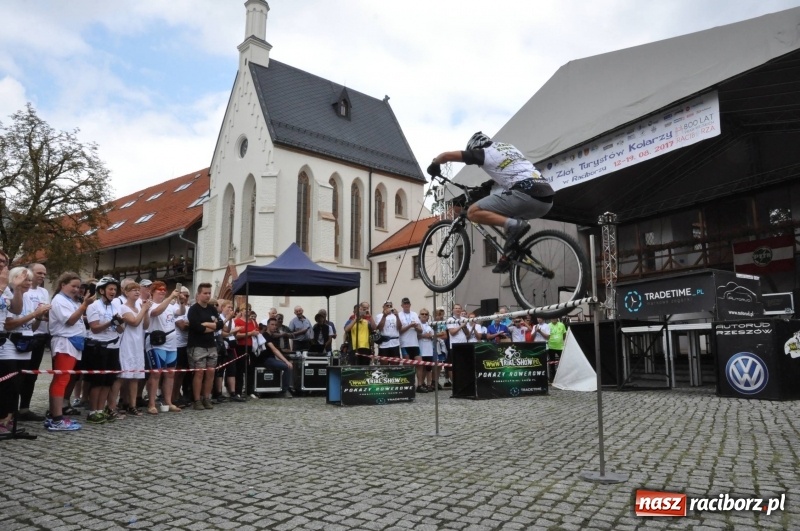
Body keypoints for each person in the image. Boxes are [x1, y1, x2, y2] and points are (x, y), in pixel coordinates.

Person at [428, 132, 554, 273]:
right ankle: (508, 255)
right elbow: (504, 175)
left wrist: (435, 165)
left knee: (473, 212)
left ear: (475, 147)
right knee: (508, 223)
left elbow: (446, 156)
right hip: (546, 200)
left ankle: (514, 226)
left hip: (525, 194)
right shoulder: (510, 148)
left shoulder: (483, 153)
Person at [47, 272, 94, 431]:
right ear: (63, 285)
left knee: (64, 379)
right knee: (61, 379)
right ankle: (56, 418)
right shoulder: (59, 300)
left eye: (78, 287)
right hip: (64, 342)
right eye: (73, 286)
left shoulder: (70, 300)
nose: (76, 289)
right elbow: (70, 320)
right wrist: (84, 305)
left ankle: (57, 415)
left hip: (73, 342)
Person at [0, 266, 36, 436]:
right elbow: (10, 323)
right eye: (24, 279)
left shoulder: (22, 295)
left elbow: (18, 311)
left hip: (25, 345)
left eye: (30, 280)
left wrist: (38, 315)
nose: (28, 283)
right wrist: (35, 313)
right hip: (8, 345)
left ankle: (9, 420)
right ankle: (2, 420)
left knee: (18, 386)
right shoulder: (6, 290)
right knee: (8, 385)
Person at [85, 276, 126, 424]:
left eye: (115, 289)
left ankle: (101, 410)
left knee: (108, 382)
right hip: (98, 346)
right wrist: (110, 322)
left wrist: (119, 324)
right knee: (97, 381)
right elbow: (94, 328)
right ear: (102, 290)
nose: (113, 292)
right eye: (110, 289)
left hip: (113, 346)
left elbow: (121, 330)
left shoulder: (116, 306)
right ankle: (93, 411)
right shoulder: (94, 306)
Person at [17, 263, 50, 422]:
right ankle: (9, 409)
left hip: (40, 334)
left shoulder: (44, 292)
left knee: (32, 375)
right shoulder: (23, 290)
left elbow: (45, 312)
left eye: (44, 274)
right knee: (18, 374)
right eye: (39, 273)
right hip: (24, 335)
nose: (42, 276)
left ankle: (25, 408)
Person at [144, 281, 181, 415]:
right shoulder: (150, 304)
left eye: (164, 289)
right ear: (152, 292)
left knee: (170, 374)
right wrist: (170, 298)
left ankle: (168, 402)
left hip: (171, 343)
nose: (162, 291)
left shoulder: (171, 305)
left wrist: (181, 301)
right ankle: (152, 403)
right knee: (156, 374)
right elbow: (156, 312)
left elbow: (181, 312)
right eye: (159, 289)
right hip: (156, 343)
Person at [117, 282, 151, 416]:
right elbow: (134, 322)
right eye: (133, 290)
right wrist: (144, 309)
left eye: (138, 290)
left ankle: (132, 405)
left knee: (135, 376)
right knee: (123, 375)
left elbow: (145, 325)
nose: (137, 292)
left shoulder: (139, 307)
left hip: (138, 344)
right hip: (127, 344)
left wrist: (146, 311)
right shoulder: (123, 308)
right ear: (126, 293)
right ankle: (118, 403)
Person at [187, 283, 222, 411]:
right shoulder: (193, 309)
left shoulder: (212, 309)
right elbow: (197, 327)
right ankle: (197, 399)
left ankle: (206, 397)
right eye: (205, 293)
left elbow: (220, 325)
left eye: (209, 293)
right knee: (199, 373)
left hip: (211, 345)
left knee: (211, 372)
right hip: (197, 345)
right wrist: (211, 327)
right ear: (198, 294)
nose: (207, 295)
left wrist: (207, 324)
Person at [254, 318, 294, 398]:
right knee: (287, 366)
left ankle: (285, 387)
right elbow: (274, 350)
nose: (274, 326)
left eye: (275, 325)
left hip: (271, 359)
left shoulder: (272, 336)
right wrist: (286, 361)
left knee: (288, 365)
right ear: (268, 325)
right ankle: (284, 391)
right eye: (272, 324)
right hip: (266, 360)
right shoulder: (265, 335)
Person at [344, 302, 376, 366]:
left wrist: (370, 317)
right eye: (364, 308)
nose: (365, 310)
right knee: (355, 367)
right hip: (354, 348)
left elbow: (374, 328)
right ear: (359, 309)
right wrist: (356, 319)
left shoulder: (367, 321)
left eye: (367, 308)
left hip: (366, 348)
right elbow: (346, 329)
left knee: (365, 367)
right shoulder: (351, 320)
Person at [416, 308, 435, 392]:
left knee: (429, 368)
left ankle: (429, 384)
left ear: (428, 316)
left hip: (429, 349)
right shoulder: (417, 325)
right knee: (420, 367)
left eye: (426, 314)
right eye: (422, 314)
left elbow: (433, 336)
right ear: (419, 315)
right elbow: (416, 336)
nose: (424, 316)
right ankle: (421, 383)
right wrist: (425, 335)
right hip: (420, 348)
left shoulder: (430, 325)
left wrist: (429, 336)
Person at [397, 297, 421, 362]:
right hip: (405, 343)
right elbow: (400, 331)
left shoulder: (414, 314)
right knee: (407, 364)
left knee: (419, 363)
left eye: (408, 303)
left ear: (410, 305)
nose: (406, 305)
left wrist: (416, 327)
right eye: (405, 304)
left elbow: (420, 330)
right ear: (402, 305)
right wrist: (410, 325)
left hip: (415, 343)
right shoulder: (399, 315)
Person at [546, 317, 567, 382]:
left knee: (563, 362)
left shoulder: (561, 324)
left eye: (555, 318)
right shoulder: (548, 325)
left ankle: (563, 377)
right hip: (551, 346)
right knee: (552, 363)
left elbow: (564, 334)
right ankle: (553, 378)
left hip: (560, 347)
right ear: (550, 319)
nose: (553, 319)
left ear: (557, 319)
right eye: (552, 318)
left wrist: (562, 341)